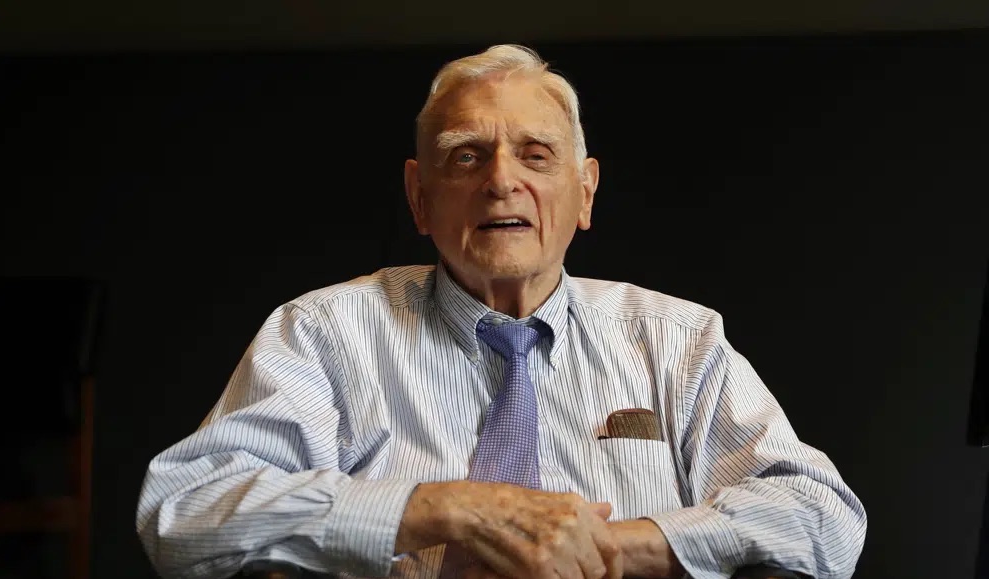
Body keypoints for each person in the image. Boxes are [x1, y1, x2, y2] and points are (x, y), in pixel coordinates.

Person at [136, 44, 866, 579]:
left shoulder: (677, 341)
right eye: (466, 157)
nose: (501, 182)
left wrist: (615, 545)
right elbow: (183, 510)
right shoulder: (327, 334)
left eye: (536, 154)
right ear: (420, 197)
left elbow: (824, 516)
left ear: (585, 192)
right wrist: (451, 508)